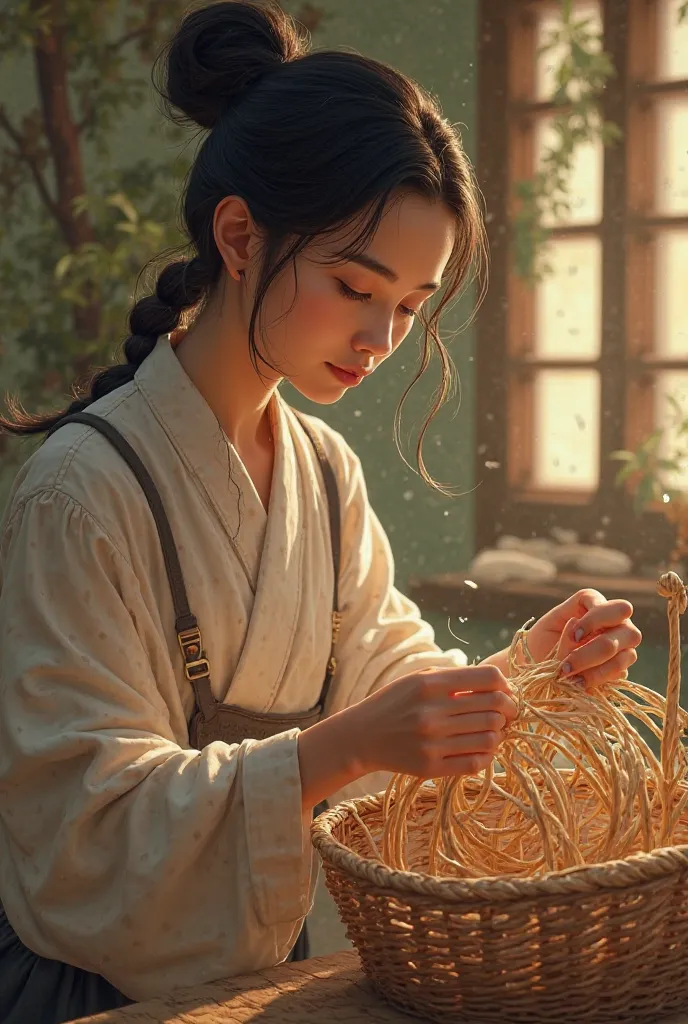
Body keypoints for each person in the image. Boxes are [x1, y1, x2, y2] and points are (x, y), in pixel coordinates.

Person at [0, 2, 642, 1021]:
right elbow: (81, 828)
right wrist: (334, 750)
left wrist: (528, 669)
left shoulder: (324, 474)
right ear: (240, 236)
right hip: (87, 993)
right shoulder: (83, 491)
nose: (382, 335)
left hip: (259, 980)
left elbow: (391, 677)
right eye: (354, 285)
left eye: (409, 303)